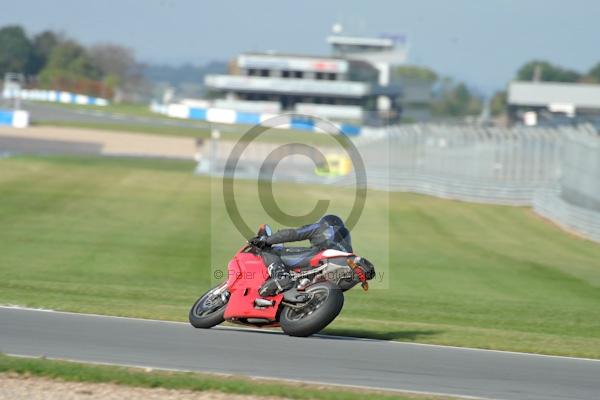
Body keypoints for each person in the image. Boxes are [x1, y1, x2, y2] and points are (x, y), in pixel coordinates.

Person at [249, 214, 352, 297]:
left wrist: (266, 240)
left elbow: (293, 234)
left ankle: (280, 275)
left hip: (321, 256)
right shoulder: (345, 244)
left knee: (270, 250)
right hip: (343, 267)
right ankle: (304, 285)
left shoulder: (322, 226)